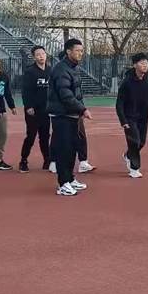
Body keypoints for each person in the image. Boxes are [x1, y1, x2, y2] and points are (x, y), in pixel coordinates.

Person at [47, 39, 92, 196]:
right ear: (68, 51)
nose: (80, 53)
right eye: (77, 50)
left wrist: (79, 110)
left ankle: (70, 179)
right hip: (61, 115)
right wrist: (83, 109)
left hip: (72, 115)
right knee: (64, 150)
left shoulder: (74, 68)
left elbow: (77, 93)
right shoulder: (61, 69)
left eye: (81, 50)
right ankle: (63, 184)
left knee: (72, 148)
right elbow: (65, 94)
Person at [116, 53, 148, 178]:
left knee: (141, 142)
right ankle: (134, 168)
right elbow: (119, 103)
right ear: (135, 65)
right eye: (142, 63)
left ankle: (128, 155)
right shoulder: (126, 82)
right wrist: (123, 120)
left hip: (143, 117)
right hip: (129, 117)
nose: (145, 65)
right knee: (134, 141)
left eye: (146, 63)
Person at [19, 45, 51, 173]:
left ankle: (47, 160)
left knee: (45, 136)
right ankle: (23, 160)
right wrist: (28, 106)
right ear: (34, 57)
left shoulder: (50, 70)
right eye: (38, 54)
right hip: (33, 111)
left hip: (46, 110)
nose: (41, 56)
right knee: (31, 136)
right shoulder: (30, 72)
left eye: (43, 54)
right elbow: (26, 91)